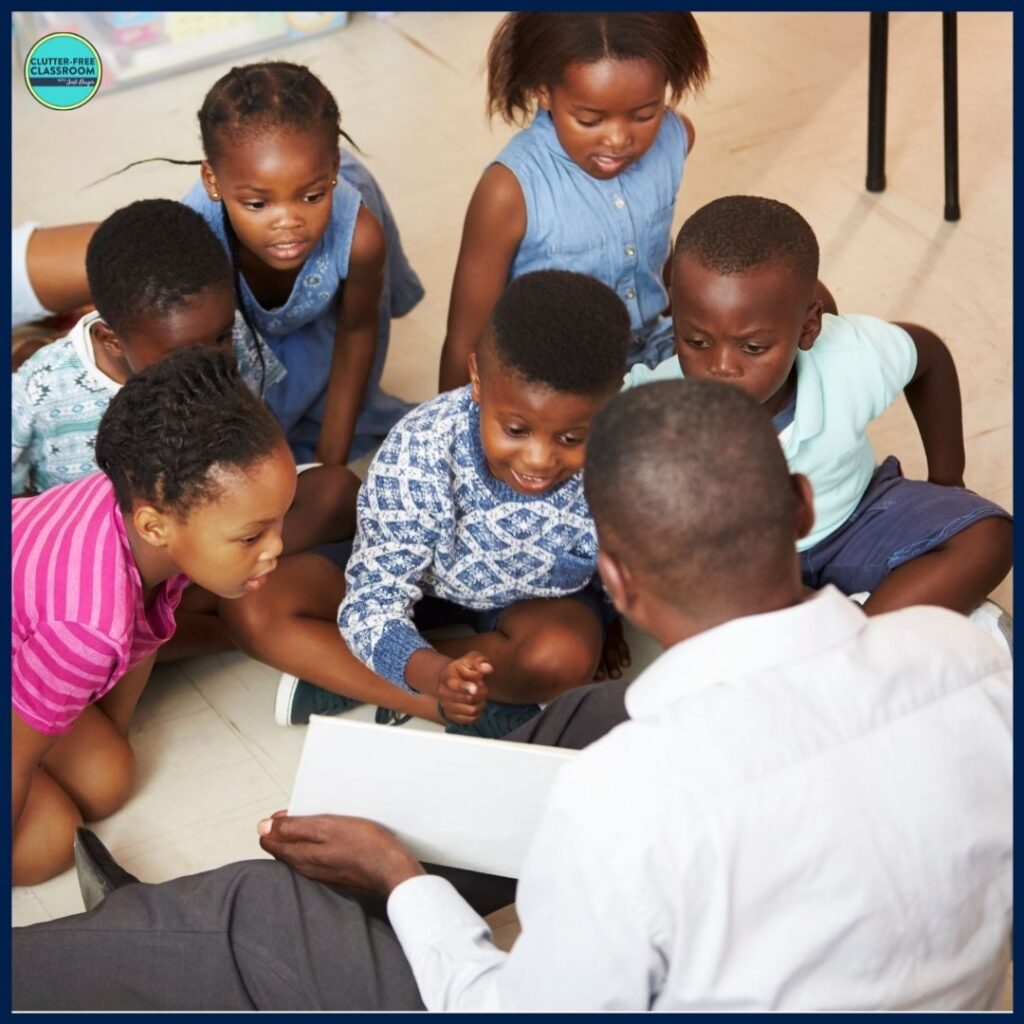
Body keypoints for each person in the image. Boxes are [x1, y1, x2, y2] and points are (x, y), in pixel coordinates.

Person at [12, 379, 1012, 1011]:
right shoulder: (965, 659)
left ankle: (135, 956)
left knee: (264, 922)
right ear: (799, 506)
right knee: (579, 727)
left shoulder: (625, 811)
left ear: (613, 578)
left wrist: (403, 881)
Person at [625, 195, 1013, 623]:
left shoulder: (849, 356)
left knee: (991, 537)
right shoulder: (650, 403)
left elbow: (931, 359)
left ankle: (852, 639)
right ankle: (868, 629)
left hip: (856, 520)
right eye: (695, 341)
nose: (720, 367)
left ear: (808, 328)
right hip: (746, 572)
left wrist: (948, 479)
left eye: (752, 347)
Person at [277, 269, 631, 736]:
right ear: (478, 380)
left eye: (570, 437)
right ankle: (450, 699)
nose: (540, 460)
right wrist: (432, 673)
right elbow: (374, 599)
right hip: (425, 586)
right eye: (516, 430)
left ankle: (343, 673)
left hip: (533, 603)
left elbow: (621, 554)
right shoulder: (421, 449)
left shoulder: (623, 456)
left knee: (565, 656)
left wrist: (608, 620)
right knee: (260, 606)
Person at [11, 199, 360, 664]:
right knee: (115, 622)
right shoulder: (42, 391)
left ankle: (239, 612)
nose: (212, 359)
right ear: (114, 339)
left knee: (338, 493)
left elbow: (251, 450)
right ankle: (243, 628)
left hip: (219, 541)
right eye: (180, 352)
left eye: (219, 336)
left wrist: (242, 536)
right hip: (122, 575)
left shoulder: (229, 338)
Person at [11, 347, 297, 886]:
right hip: (45, 649)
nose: (275, 549)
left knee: (110, 775)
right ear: (155, 526)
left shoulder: (154, 518)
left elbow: (143, 639)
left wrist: (104, 733)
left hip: (29, 640)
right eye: (252, 536)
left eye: (279, 522)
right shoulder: (86, 629)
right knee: (48, 843)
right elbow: (15, 761)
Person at [437, 12, 709, 391]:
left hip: (655, 349)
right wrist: (454, 438)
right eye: (589, 119)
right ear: (543, 91)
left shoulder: (675, 138)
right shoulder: (509, 190)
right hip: (559, 383)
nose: (617, 139)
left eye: (644, 114)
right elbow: (466, 338)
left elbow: (658, 249)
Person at [179, 60, 424, 462]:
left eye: (310, 197)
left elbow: (358, 330)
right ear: (213, 182)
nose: (288, 222)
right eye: (257, 204)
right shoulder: (197, 241)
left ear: (332, 169)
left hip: (339, 306)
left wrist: (332, 461)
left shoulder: (358, 235)